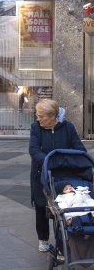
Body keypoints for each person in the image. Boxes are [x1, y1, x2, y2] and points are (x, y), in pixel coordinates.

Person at [29, 98, 87, 252]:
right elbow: (34, 150)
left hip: (63, 176)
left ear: (53, 116)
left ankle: (61, 244)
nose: (38, 119)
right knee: (41, 207)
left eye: (42, 116)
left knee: (60, 209)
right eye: (37, 115)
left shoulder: (68, 128)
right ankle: (43, 240)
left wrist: (62, 160)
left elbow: (80, 150)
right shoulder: (36, 128)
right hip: (41, 173)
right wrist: (50, 161)